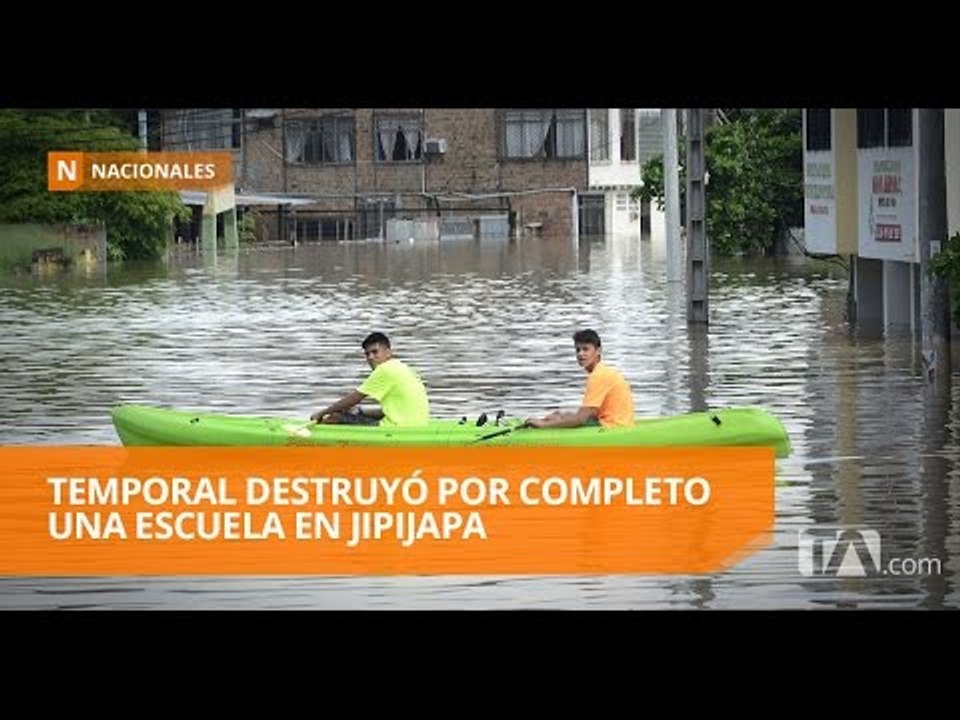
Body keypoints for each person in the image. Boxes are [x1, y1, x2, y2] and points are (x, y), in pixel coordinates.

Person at [310, 332, 430, 427]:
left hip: (398, 428)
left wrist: (322, 413)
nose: (370, 357)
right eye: (367, 354)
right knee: (349, 414)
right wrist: (360, 412)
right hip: (417, 425)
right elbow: (392, 411)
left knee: (334, 417)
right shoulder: (402, 367)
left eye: (375, 352)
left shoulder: (385, 370)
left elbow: (353, 398)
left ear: (388, 352)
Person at [526, 329, 634, 429]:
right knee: (562, 415)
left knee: (564, 419)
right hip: (620, 423)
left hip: (613, 427)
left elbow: (580, 419)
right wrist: (561, 417)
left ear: (598, 351)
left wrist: (544, 424)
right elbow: (590, 412)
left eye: (585, 349)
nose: (580, 354)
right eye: (578, 350)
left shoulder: (598, 375)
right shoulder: (602, 371)